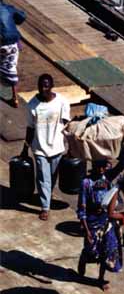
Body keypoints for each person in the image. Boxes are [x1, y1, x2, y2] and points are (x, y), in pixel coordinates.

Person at [77, 134, 124, 291]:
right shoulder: (86, 183)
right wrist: (86, 229)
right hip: (92, 222)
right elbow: (82, 208)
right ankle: (84, 258)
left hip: (105, 220)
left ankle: (100, 278)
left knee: (106, 249)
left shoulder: (107, 177)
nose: (102, 169)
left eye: (104, 166)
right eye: (99, 166)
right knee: (91, 250)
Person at [22, 74, 70, 221]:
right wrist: (25, 147)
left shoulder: (62, 102)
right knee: (43, 178)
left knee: (52, 177)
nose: (43, 88)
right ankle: (45, 207)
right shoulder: (32, 105)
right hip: (39, 148)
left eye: (46, 85)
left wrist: (71, 145)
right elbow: (30, 128)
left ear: (51, 86)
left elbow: (67, 124)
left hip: (57, 147)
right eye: (41, 85)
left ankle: (46, 195)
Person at [0, 0, 26, 108]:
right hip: (12, 44)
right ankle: (15, 98)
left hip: (1, 43)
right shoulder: (8, 8)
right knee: (11, 68)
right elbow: (22, 16)